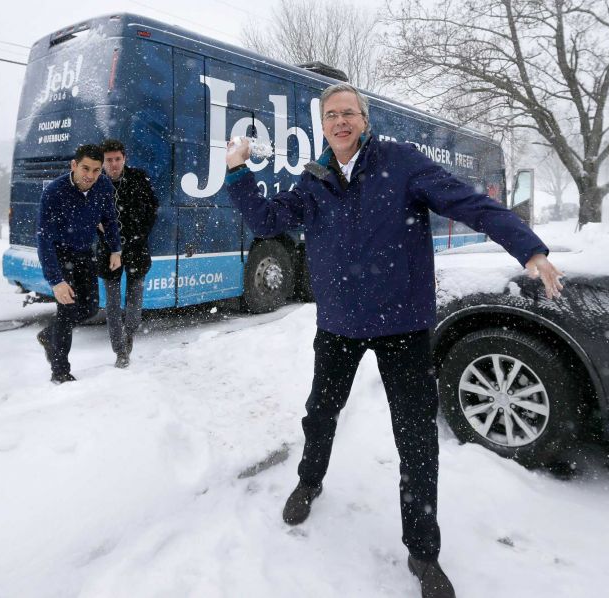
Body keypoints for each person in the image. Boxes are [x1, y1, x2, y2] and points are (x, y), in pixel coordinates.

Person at [224, 83, 563, 598]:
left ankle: (423, 553)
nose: (341, 121)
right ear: (323, 126)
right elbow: (268, 220)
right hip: (338, 324)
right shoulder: (314, 180)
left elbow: (470, 204)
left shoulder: (401, 163)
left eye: (349, 113)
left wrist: (529, 249)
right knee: (320, 414)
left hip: (402, 325)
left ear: (365, 118)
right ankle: (310, 480)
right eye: (331, 115)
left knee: (416, 439)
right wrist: (237, 171)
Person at [36, 144, 121, 384]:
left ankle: (48, 335)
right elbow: (44, 239)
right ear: (74, 165)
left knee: (91, 308)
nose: (90, 176)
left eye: (96, 170)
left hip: (85, 254)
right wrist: (56, 281)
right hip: (61, 255)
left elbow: (109, 218)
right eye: (85, 168)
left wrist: (116, 249)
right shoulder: (54, 192)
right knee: (67, 311)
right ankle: (60, 371)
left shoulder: (103, 185)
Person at [96, 139, 159, 368]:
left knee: (134, 306)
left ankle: (129, 334)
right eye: (109, 160)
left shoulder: (138, 179)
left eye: (117, 159)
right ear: (102, 162)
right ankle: (120, 352)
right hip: (107, 252)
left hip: (137, 250)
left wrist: (138, 235)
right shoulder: (96, 183)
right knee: (112, 306)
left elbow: (153, 208)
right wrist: (97, 224)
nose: (113, 164)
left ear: (125, 159)